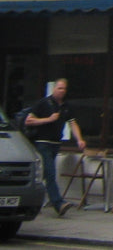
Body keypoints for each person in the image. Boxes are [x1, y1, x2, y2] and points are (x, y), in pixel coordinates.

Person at [25, 78, 87, 217]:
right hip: (42, 142)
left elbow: (73, 123)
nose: (61, 91)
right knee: (50, 173)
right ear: (54, 89)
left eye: (64, 89)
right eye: (59, 88)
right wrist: (49, 119)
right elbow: (29, 120)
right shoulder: (44, 103)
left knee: (45, 174)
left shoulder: (66, 106)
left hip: (55, 144)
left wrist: (79, 139)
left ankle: (32, 201)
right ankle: (58, 204)